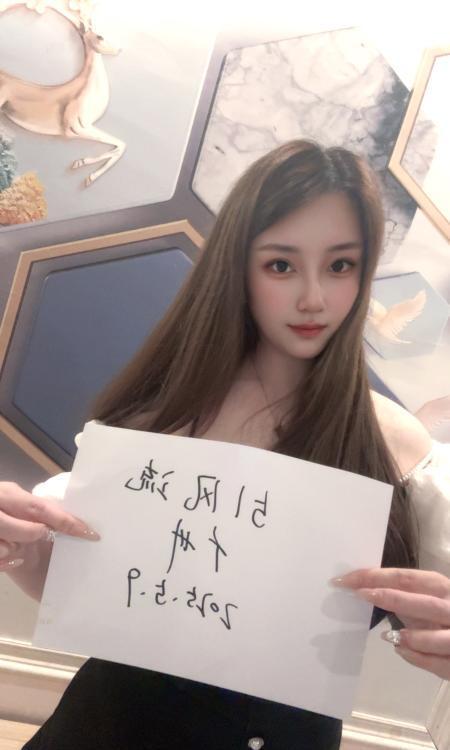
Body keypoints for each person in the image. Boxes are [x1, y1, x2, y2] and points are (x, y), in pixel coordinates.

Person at [1, 139, 449, 749]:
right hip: (111, 727)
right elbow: (84, 589)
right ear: (237, 268)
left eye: (340, 265)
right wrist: (22, 554)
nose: (314, 297)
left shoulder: (394, 444)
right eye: (281, 265)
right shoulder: (160, 415)